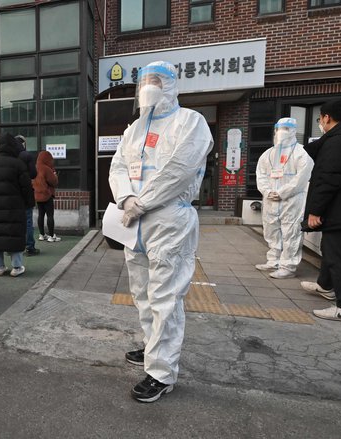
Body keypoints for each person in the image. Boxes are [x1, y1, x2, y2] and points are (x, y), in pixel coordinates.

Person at [108, 61, 213, 403]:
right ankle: (153, 348)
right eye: (145, 81)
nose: (148, 86)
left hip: (168, 218)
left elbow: (179, 170)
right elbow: (118, 165)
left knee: (166, 295)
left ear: (171, 85)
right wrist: (125, 199)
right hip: (134, 222)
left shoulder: (190, 123)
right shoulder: (135, 127)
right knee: (142, 292)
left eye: (157, 80)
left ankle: (161, 372)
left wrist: (144, 201)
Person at [302, 98, 341, 324]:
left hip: (338, 208)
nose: (320, 122)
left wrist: (315, 210)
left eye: (320, 118)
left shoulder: (337, 141)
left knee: (339, 256)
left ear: (327, 117)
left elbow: (328, 179)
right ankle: (326, 285)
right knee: (330, 248)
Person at [255, 117, 314, 279]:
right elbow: (261, 175)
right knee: (271, 229)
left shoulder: (301, 153)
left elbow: (301, 178)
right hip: (270, 200)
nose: (282, 133)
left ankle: (288, 266)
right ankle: (273, 260)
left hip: (292, 200)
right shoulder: (268, 154)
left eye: (286, 129)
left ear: (294, 131)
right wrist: (267, 192)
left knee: (291, 231)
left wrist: (282, 192)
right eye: (279, 129)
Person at [0, 133, 35, 277]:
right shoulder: (18, 164)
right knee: (15, 234)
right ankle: (17, 267)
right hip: (16, 206)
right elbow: (26, 187)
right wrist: (29, 203)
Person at [15, 135, 40, 255]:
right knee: (28, 220)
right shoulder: (26, 155)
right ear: (23, 144)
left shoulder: (9, 156)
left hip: (12, 193)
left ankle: (15, 246)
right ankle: (29, 246)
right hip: (25, 193)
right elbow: (33, 174)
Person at [33, 150, 61, 242]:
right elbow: (54, 182)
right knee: (50, 215)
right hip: (47, 195)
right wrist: (55, 175)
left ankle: (41, 234)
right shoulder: (46, 169)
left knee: (40, 215)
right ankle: (51, 236)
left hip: (38, 195)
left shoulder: (35, 167)